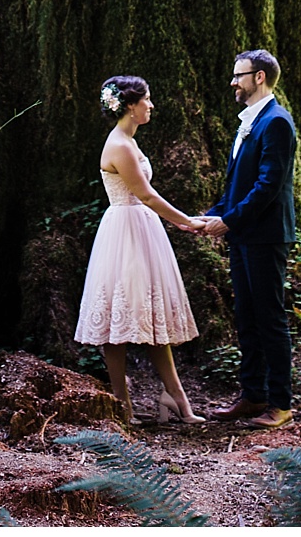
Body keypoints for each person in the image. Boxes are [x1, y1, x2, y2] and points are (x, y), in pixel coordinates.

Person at [74, 75, 205, 424]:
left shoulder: (129, 141)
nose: (151, 105)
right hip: (124, 234)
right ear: (130, 106)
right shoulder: (119, 145)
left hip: (142, 229)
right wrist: (188, 221)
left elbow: (145, 196)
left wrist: (177, 221)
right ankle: (122, 404)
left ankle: (176, 398)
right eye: (146, 99)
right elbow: (145, 194)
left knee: (152, 318)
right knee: (119, 321)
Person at [201, 49, 296, 428]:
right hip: (243, 235)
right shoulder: (249, 123)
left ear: (259, 77)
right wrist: (210, 217)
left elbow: (267, 186)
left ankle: (281, 404)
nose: (233, 82)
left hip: (265, 236)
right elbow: (237, 185)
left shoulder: (276, 122)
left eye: (238, 75)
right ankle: (253, 395)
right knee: (246, 317)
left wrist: (229, 221)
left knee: (269, 318)